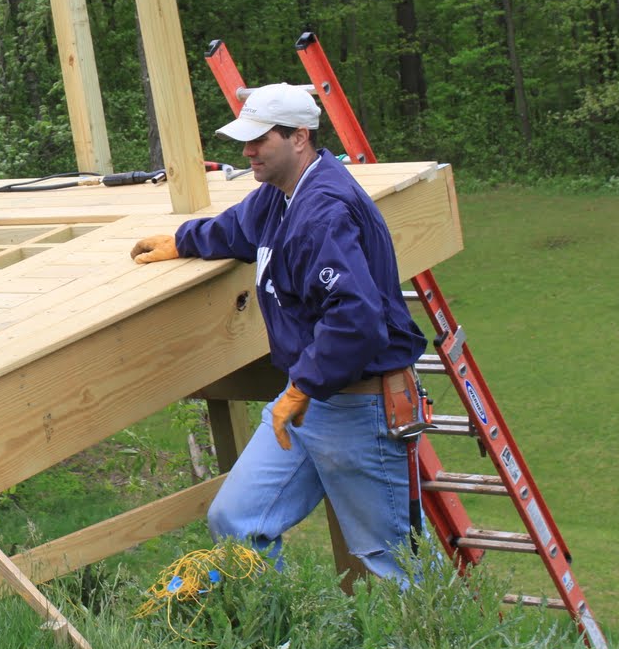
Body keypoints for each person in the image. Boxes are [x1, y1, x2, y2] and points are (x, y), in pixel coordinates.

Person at [129, 83, 426, 580]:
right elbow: (237, 231)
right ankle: (281, 642)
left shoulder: (325, 210)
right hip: (304, 403)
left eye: (259, 140)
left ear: (300, 137)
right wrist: (183, 240)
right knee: (237, 520)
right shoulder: (278, 196)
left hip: (357, 404)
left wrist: (302, 386)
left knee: (390, 560)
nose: (247, 153)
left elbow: (356, 318)